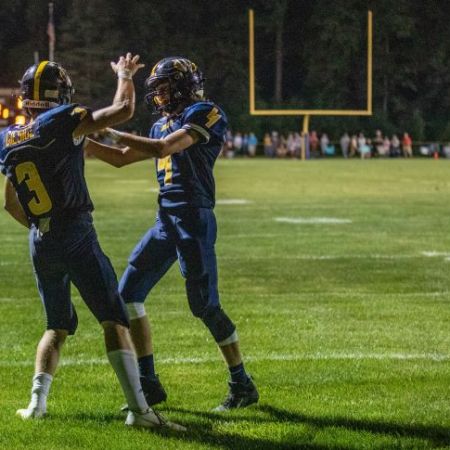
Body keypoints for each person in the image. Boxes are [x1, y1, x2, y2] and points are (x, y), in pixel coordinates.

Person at [0, 55, 184, 431]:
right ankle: (140, 411)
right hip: (74, 232)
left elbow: (10, 203)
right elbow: (123, 109)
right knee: (114, 319)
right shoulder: (61, 119)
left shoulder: (8, 138)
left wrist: (41, 228)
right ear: (59, 94)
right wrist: (124, 75)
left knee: (56, 325)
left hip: (40, 240)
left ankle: (36, 405)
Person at [85, 56, 259, 412]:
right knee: (128, 295)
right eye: (156, 90)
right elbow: (120, 158)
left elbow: (165, 148)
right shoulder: (158, 125)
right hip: (165, 220)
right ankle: (149, 384)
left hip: (194, 218)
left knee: (205, 306)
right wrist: (82, 144)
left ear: (182, 86)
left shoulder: (206, 112)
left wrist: (109, 130)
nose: (158, 96)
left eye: (163, 88)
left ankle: (242, 383)